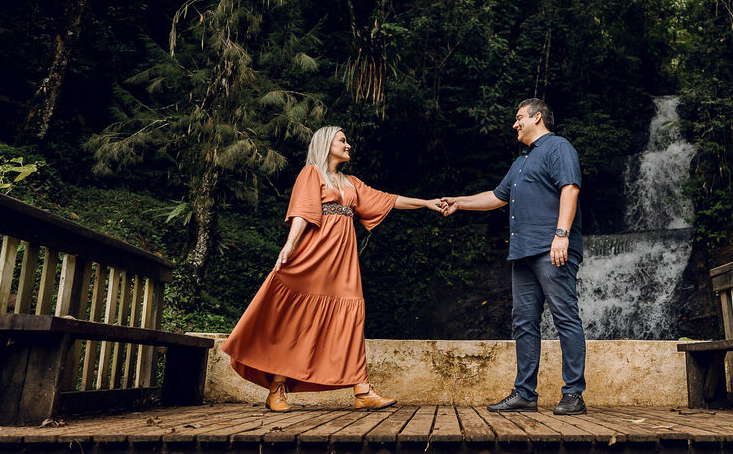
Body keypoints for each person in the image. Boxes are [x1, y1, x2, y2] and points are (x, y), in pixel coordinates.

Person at [222, 126, 442, 412]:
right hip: (314, 255)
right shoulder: (311, 173)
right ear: (327, 144)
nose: (348, 145)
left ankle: (362, 389)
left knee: (351, 315)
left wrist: (427, 203)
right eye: (342, 140)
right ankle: (277, 387)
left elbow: (388, 199)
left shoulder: (351, 183)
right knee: (296, 318)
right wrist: (289, 246)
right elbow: (302, 211)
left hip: (343, 261)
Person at [440, 98, 586, 415]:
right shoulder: (520, 162)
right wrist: (459, 202)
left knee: (565, 318)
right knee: (523, 322)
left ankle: (574, 394)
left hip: (552, 248)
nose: (514, 124)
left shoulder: (558, 147)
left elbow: (570, 188)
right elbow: (495, 197)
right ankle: (525, 394)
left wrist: (561, 235)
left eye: (519, 117)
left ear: (537, 117)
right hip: (522, 254)